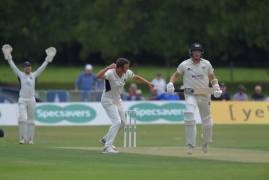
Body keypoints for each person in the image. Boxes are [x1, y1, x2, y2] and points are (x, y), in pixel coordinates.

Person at [167, 43, 222, 154]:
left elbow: (212, 77)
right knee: (188, 114)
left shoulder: (206, 64)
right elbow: (176, 75)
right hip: (190, 94)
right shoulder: (185, 64)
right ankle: (190, 145)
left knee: (207, 122)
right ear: (191, 52)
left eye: (199, 51)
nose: (197, 53)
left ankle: (205, 142)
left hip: (204, 94)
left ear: (201, 53)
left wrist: (216, 86)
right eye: (195, 51)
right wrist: (170, 83)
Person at [96, 58, 154, 154]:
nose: (127, 70)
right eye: (125, 68)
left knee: (123, 123)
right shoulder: (110, 73)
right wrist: (107, 67)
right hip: (107, 100)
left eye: (128, 68)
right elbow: (98, 76)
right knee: (117, 122)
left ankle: (105, 140)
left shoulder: (126, 73)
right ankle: (107, 147)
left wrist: (148, 83)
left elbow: (136, 77)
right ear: (118, 68)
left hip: (117, 100)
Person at [2, 44, 56, 144]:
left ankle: (30, 139)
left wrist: (47, 59)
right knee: (22, 119)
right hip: (22, 99)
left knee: (31, 120)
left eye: (29, 67)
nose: (28, 68)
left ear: (31, 68)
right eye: (26, 67)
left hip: (31, 99)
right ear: (24, 68)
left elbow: (42, 67)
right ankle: (22, 139)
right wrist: (9, 57)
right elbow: (13, 66)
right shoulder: (20, 75)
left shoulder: (34, 75)